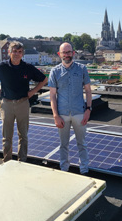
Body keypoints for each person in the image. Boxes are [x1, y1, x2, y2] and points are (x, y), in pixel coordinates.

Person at [0, 41, 48, 162]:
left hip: (23, 104)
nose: (17, 54)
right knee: (7, 137)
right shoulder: (2, 67)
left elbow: (44, 79)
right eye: (14, 51)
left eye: (19, 52)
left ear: (22, 54)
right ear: (10, 52)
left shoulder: (28, 68)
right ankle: (7, 161)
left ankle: (22, 161)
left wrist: (32, 92)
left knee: (23, 136)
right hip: (7, 104)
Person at [48, 42, 92, 175]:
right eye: (64, 52)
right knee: (63, 144)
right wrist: (55, 115)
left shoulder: (82, 69)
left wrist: (88, 110)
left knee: (82, 144)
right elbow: (52, 95)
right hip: (62, 114)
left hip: (79, 112)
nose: (66, 55)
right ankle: (64, 169)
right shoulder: (54, 71)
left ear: (73, 53)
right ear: (59, 54)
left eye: (69, 52)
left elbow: (88, 91)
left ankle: (84, 169)